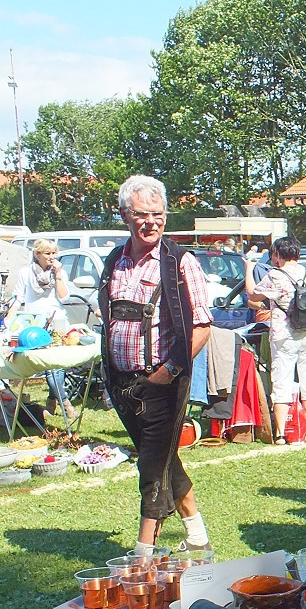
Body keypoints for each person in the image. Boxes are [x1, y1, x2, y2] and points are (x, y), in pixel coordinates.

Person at [99, 175, 214, 553]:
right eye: (142, 215)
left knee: (150, 466)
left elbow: (202, 326)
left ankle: (143, 552)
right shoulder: (114, 261)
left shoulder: (181, 262)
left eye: (158, 215)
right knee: (164, 457)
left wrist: (167, 372)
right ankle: (196, 533)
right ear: (124, 216)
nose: (151, 222)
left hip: (164, 383)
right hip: (122, 384)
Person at [245, 237, 306, 444]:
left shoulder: (275, 276)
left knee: (282, 381)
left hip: (285, 334)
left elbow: (253, 294)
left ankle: (281, 433)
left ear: (278, 255)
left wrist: (249, 267)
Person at [7, 239, 76, 420]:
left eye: (54, 253)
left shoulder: (58, 272)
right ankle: (64, 402)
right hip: (35, 325)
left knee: (55, 366)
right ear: (37, 255)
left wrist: (59, 273)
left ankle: (56, 402)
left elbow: (64, 296)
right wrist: (9, 320)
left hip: (57, 321)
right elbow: (18, 297)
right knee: (47, 364)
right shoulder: (26, 273)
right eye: (47, 253)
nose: (51, 257)